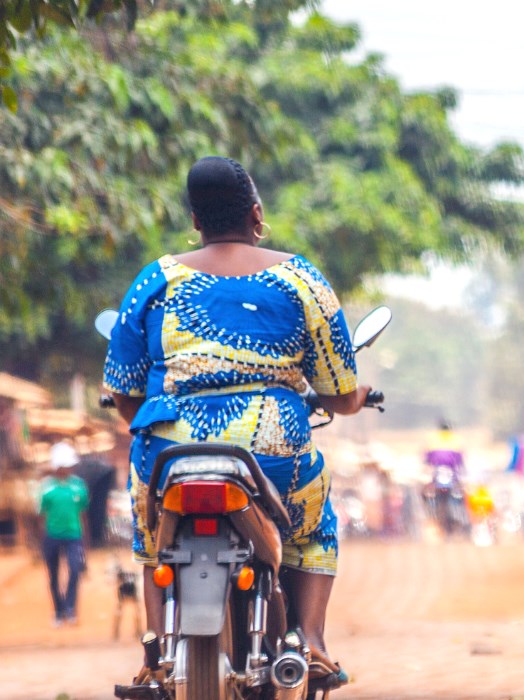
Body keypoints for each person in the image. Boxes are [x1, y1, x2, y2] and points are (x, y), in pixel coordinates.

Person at [103, 156, 371, 684]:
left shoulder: (155, 278)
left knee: (153, 535)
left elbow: (124, 392)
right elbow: (338, 392)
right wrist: (354, 397)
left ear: (196, 221)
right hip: (271, 444)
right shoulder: (301, 279)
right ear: (257, 213)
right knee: (313, 528)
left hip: (169, 448)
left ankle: (155, 653)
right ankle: (311, 640)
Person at [39, 447, 89, 627]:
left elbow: (83, 514)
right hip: (52, 535)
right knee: (53, 575)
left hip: (74, 535)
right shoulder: (47, 488)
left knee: (75, 570)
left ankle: (70, 608)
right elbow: (41, 515)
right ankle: (58, 611)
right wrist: (41, 541)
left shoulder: (79, 486)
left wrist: (86, 541)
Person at [72, 443, 117, 549]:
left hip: (96, 491)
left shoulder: (82, 473)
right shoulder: (94, 470)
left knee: (95, 512)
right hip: (94, 494)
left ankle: (95, 540)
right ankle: (95, 540)